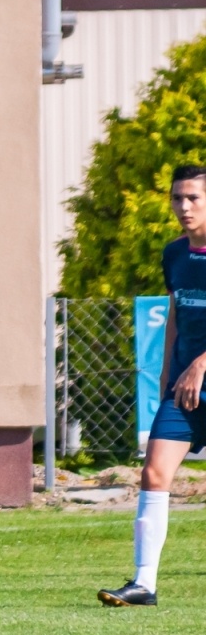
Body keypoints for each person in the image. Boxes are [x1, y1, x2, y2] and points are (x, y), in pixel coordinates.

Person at [99, 165, 206, 606]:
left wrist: (203, 363)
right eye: (177, 198)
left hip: (199, 375)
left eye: (193, 199)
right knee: (154, 473)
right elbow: (176, 316)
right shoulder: (173, 255)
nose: (183, 207)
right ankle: (144, 583)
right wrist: (167, 374)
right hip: (182, 390)